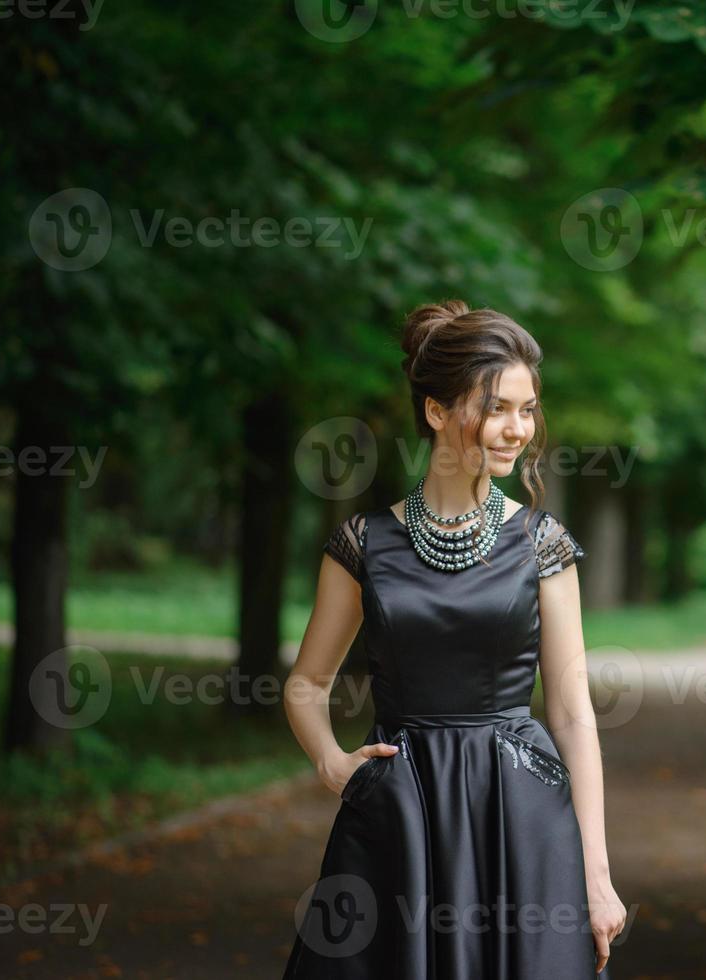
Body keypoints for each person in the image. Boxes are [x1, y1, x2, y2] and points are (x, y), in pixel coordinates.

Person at [282, 300, 626, 978]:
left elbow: (571, 711)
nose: (517, 430)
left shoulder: (541, 544)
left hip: (521, 817)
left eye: (527, 410)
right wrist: (331, 761)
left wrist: (595, 872)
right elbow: (305, 684)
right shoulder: (363, 545)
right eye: (497, 408)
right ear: (437, 411)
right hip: (399, 815)